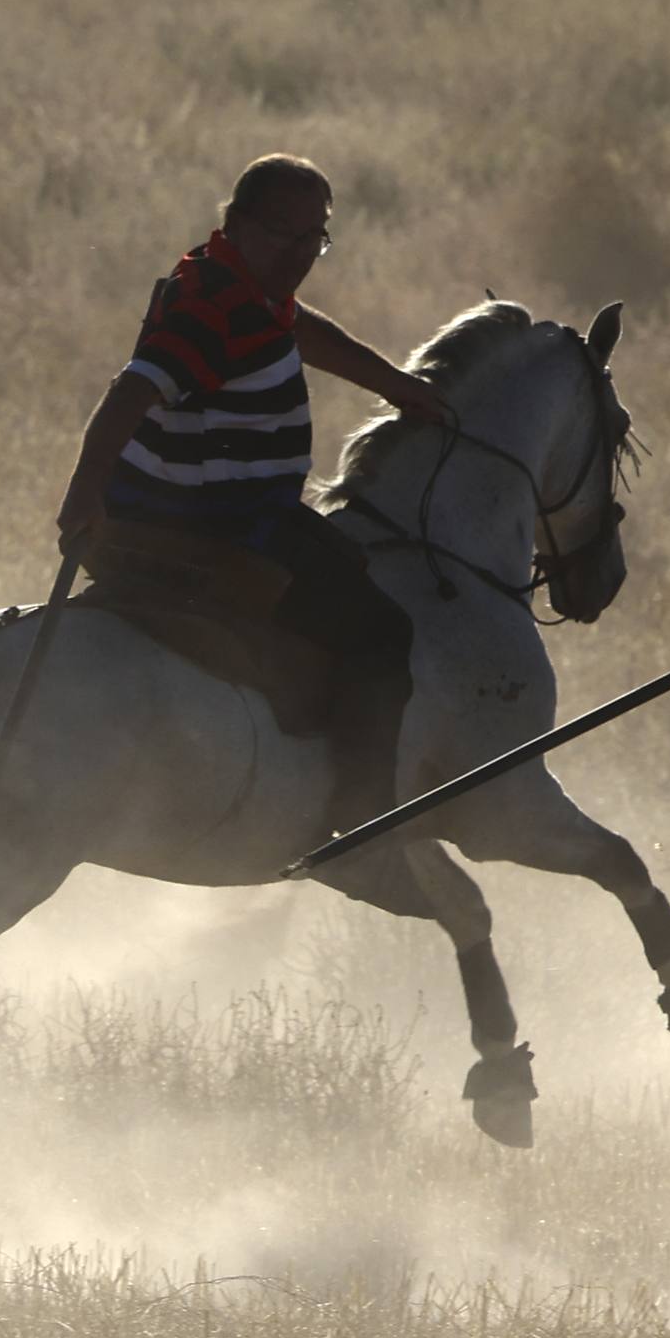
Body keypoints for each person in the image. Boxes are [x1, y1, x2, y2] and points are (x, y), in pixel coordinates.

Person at [54, 153, 451, 843]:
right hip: (211, 525)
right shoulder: (211, 310)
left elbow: (293, 326)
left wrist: (398, 387)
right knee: (383, 633)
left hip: (222, 509)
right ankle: (362, 826)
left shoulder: (236, 283)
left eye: (313, 239)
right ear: (236, 222)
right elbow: (131, 390)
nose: (298, 255)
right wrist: (83, 495)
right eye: (281, 234)